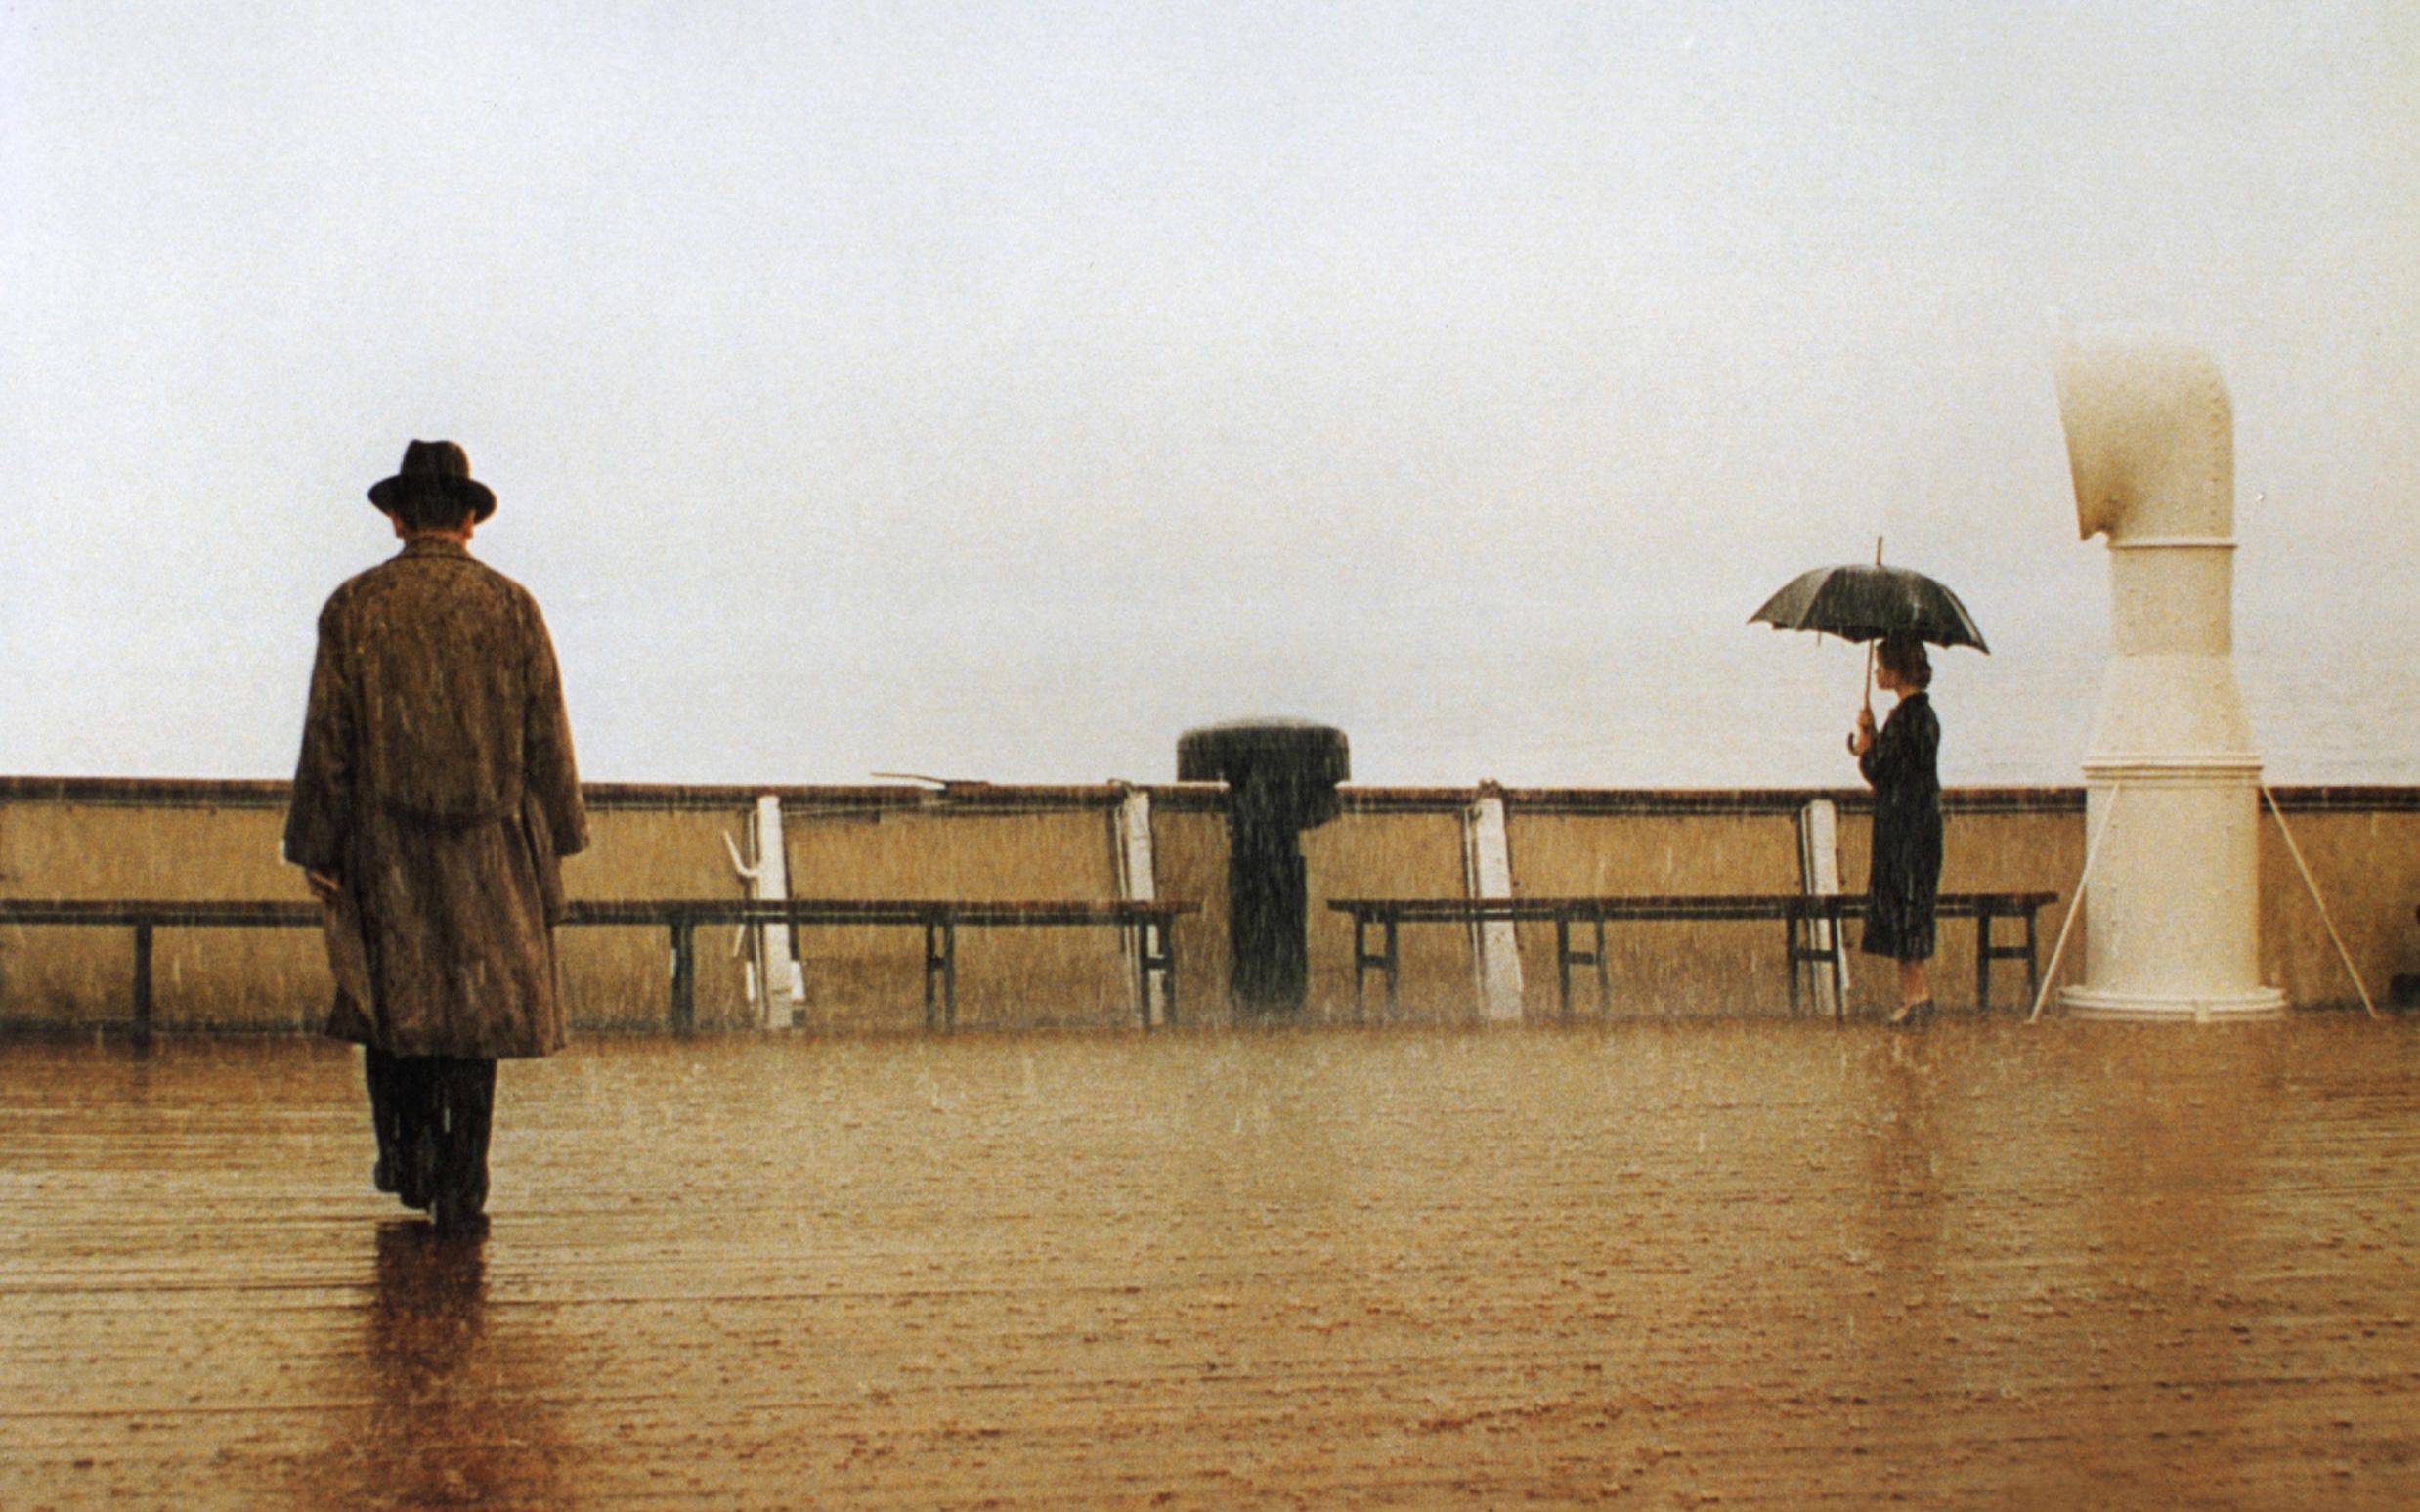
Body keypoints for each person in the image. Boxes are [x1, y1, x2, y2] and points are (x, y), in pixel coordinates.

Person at [284, 440, 587, 1235]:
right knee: (474, 1021)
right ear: (468, 520)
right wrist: (560, 831)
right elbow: (546, 734)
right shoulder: (512, 607)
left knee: (392, 1006)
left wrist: (319, 841)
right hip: (490, 845)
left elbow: (328, 737)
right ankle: (462, 1178)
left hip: (386, 846)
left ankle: (408, 1153)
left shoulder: (354, 607)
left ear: (396, 518)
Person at [1850, 632, 1941, 1026]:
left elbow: (1881, 771)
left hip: (1903, 829)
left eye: (1881, 667)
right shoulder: (1923, 716)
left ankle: (1916, 996)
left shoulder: (1906, 719)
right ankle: (1914, 996)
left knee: (1904, 906)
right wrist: (1873, 738)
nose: (1876, 673)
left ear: (1896, 671)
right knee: (1912, 905)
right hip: (1920, 825)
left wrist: (1866, 745)